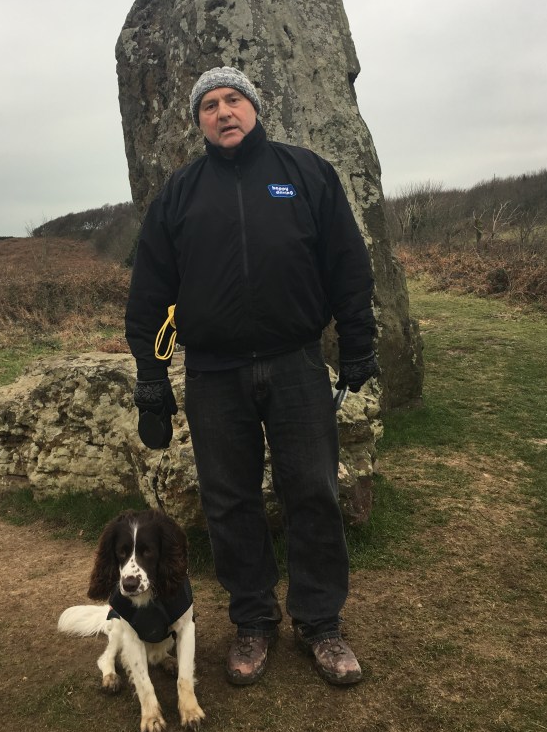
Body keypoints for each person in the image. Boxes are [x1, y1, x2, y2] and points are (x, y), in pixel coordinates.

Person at [125, 66, 378, 687]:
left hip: (295, 362)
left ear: (255, 107)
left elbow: (348, 265)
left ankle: (320, 623)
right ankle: (253, 620)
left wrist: (359, 345)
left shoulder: (305, 174)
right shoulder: (180, 193)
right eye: (209, 105)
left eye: (233, 99)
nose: (223, 111)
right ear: (200, 122)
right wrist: (150, 374)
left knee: (313, 490)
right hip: (213, 371)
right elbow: (149, 290)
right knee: (230, 500)